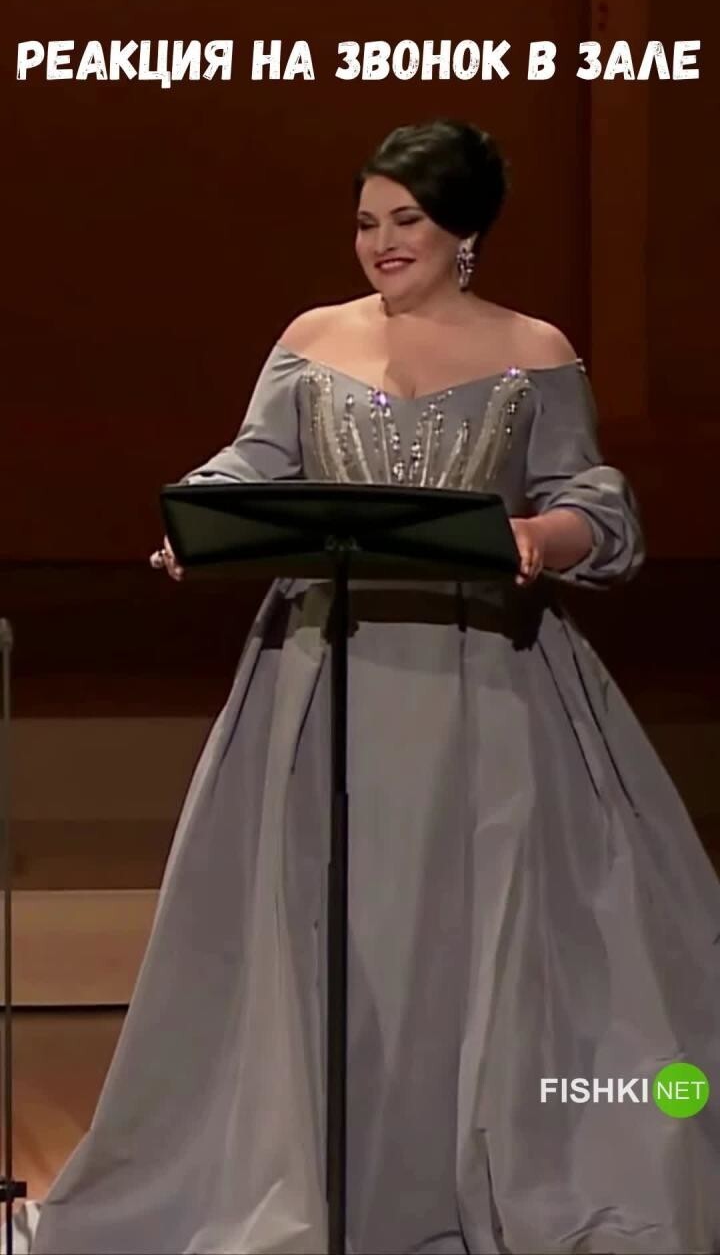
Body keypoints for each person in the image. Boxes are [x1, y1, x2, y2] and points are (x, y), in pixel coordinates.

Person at [29, 119, 720, 1255]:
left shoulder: (531, 348)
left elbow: (592, 503)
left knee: (481, 921)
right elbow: (251, 465)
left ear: (465, 229)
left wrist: (537, 537)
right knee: (327, 916)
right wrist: (196, 522)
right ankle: (323, 1177)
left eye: (407, 220)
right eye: (366, 222)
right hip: (326, 666)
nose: (382, 242)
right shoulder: (312, 339)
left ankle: (482, 1170)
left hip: (485, 674)